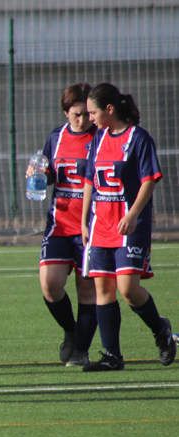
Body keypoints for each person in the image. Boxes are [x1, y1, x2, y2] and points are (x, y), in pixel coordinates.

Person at [80, 82, 176, 371]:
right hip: (101, 223)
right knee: (103, 289)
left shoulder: (138, 138)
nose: (90, 118)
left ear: (110, 109)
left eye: (93, 112)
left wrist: (133, 214)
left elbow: (150, 179)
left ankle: (161, 331)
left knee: (128, 288)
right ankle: (112, 357)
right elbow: (89, 181)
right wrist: (84, 220)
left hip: (129, 224)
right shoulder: (97, 138)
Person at [33, 83, 98, 367]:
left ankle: (81, 349)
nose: (82, 120)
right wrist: (37, 173)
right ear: (65, 113)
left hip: (91, 226)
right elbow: (49, 174)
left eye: (86, 114)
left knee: (88, 289)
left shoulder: (101, 137)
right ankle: (71, 331)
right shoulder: (56, 138)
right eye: (76, 114)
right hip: (60, 223)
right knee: (50, 284)